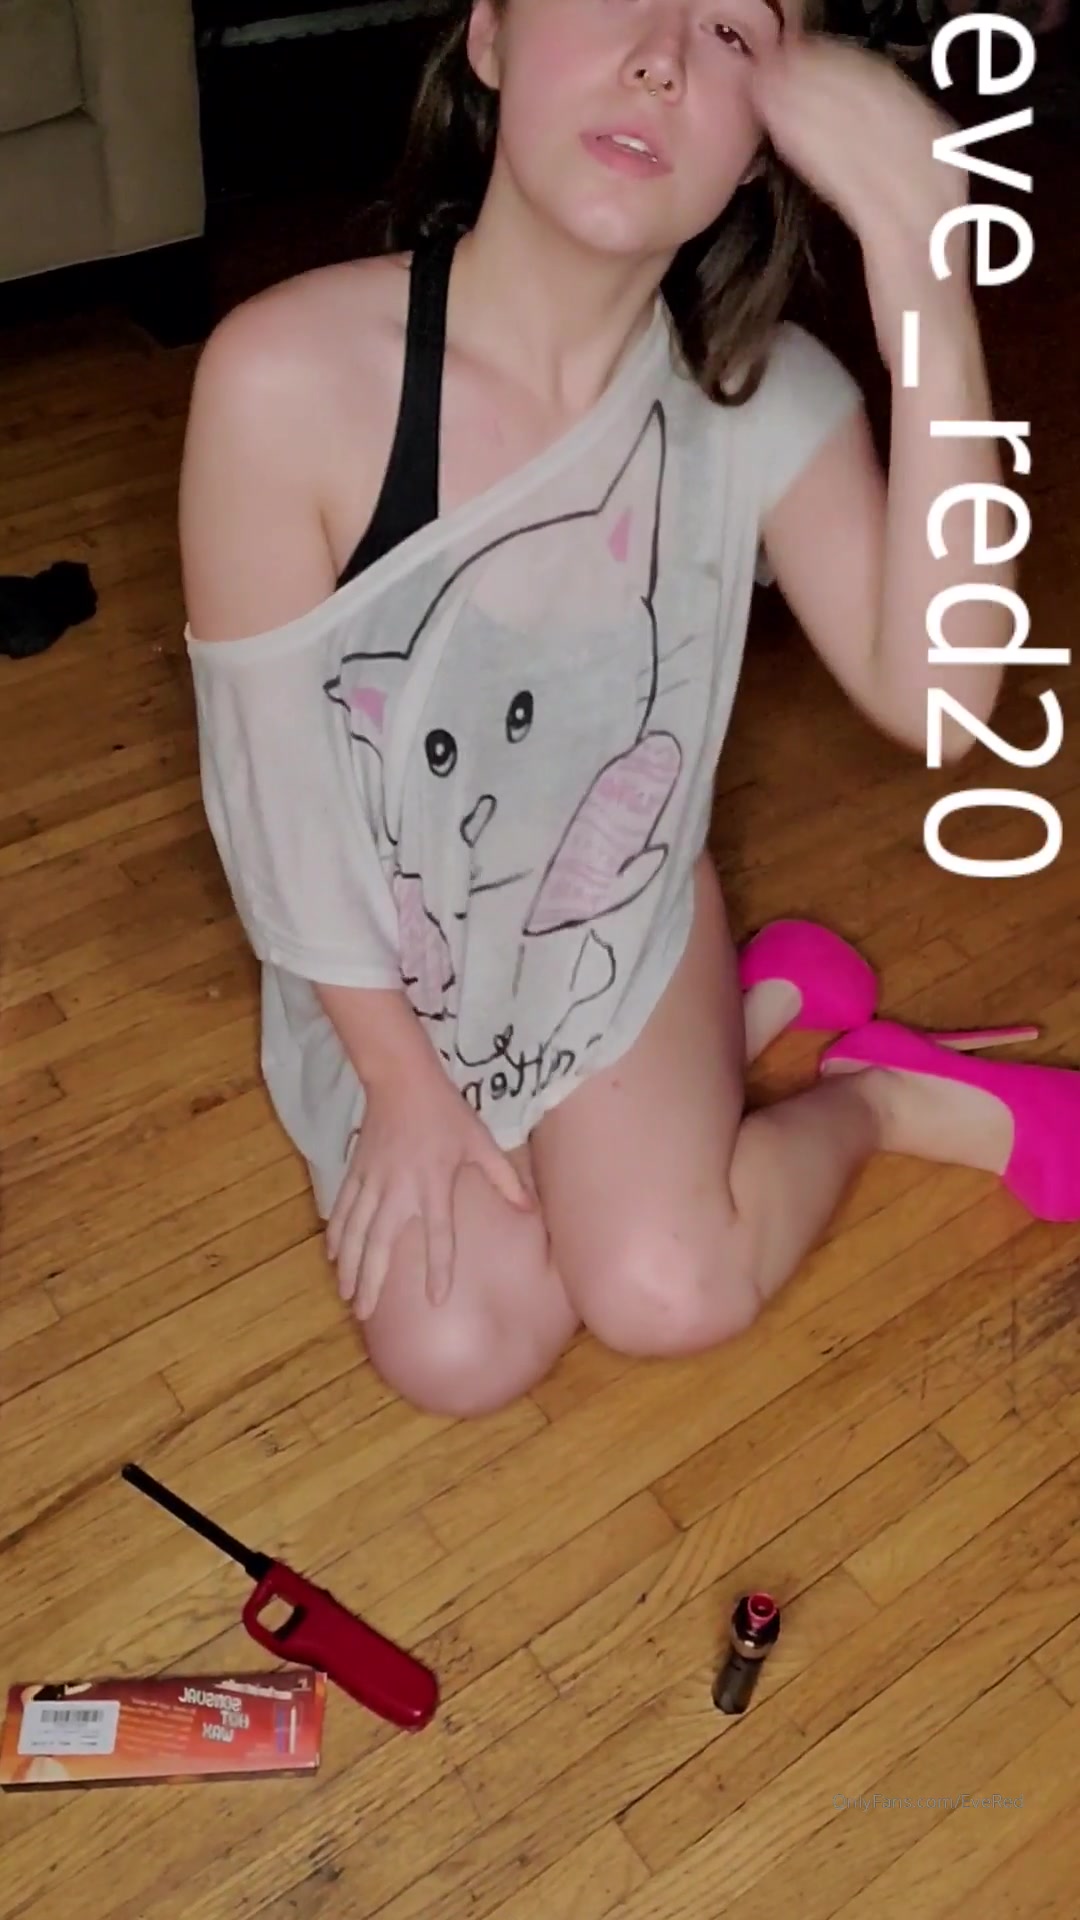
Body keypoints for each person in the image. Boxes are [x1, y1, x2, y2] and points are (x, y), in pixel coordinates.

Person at [179, 0, 1070, 1422]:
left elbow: (943, 698)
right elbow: (276, 809)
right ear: (488, 35)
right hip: (386, 965)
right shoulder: (285, 379)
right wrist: (401, 1088)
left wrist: (924, 270)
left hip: (613, 909)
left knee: (671, 1292)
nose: (659, 54)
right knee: (461, 1349)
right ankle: (748, 1013)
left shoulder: (759, 397)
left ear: (767, 139)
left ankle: (884, 1094)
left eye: (730, 28)